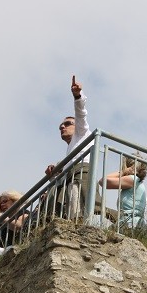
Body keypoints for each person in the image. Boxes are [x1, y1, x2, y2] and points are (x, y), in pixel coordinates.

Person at [44, 75, 95, 219]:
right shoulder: (71, 148)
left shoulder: (82, 132)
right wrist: (55, 173)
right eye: (60, 126)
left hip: (80, 177)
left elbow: (81, 114)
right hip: (71, 180)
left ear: (76, 125)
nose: (62, 127)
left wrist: (77, 96)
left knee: (77, 212)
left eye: (67, 124)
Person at [99, 154, 147, 231]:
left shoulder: (132, 179)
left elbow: (103, 181)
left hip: (130, 223)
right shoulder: (137, 181)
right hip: (133, 223)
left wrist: (124, 171)